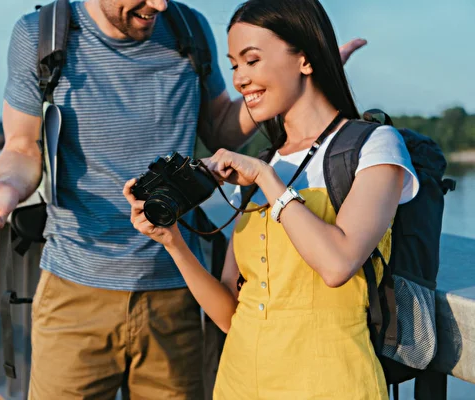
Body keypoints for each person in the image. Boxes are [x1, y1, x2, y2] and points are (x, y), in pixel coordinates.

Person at [0, 0, 366, 398]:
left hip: (176, 290)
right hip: (76, 292)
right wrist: (6, 185)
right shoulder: (42, 35)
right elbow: (23, 149)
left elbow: (220, 128)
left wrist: (294, 83)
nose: (157, 5)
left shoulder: (187, 27)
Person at [124, 0, 420, 399]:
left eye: (252, 60)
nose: (241, 79)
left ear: (306, 60)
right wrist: (172, 241)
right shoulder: (260, 164)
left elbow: (337, 264)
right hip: (238, 384)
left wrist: (267, 179)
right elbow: (230, 315)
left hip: (330, 384)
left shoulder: (374, 146)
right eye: (234, 66)